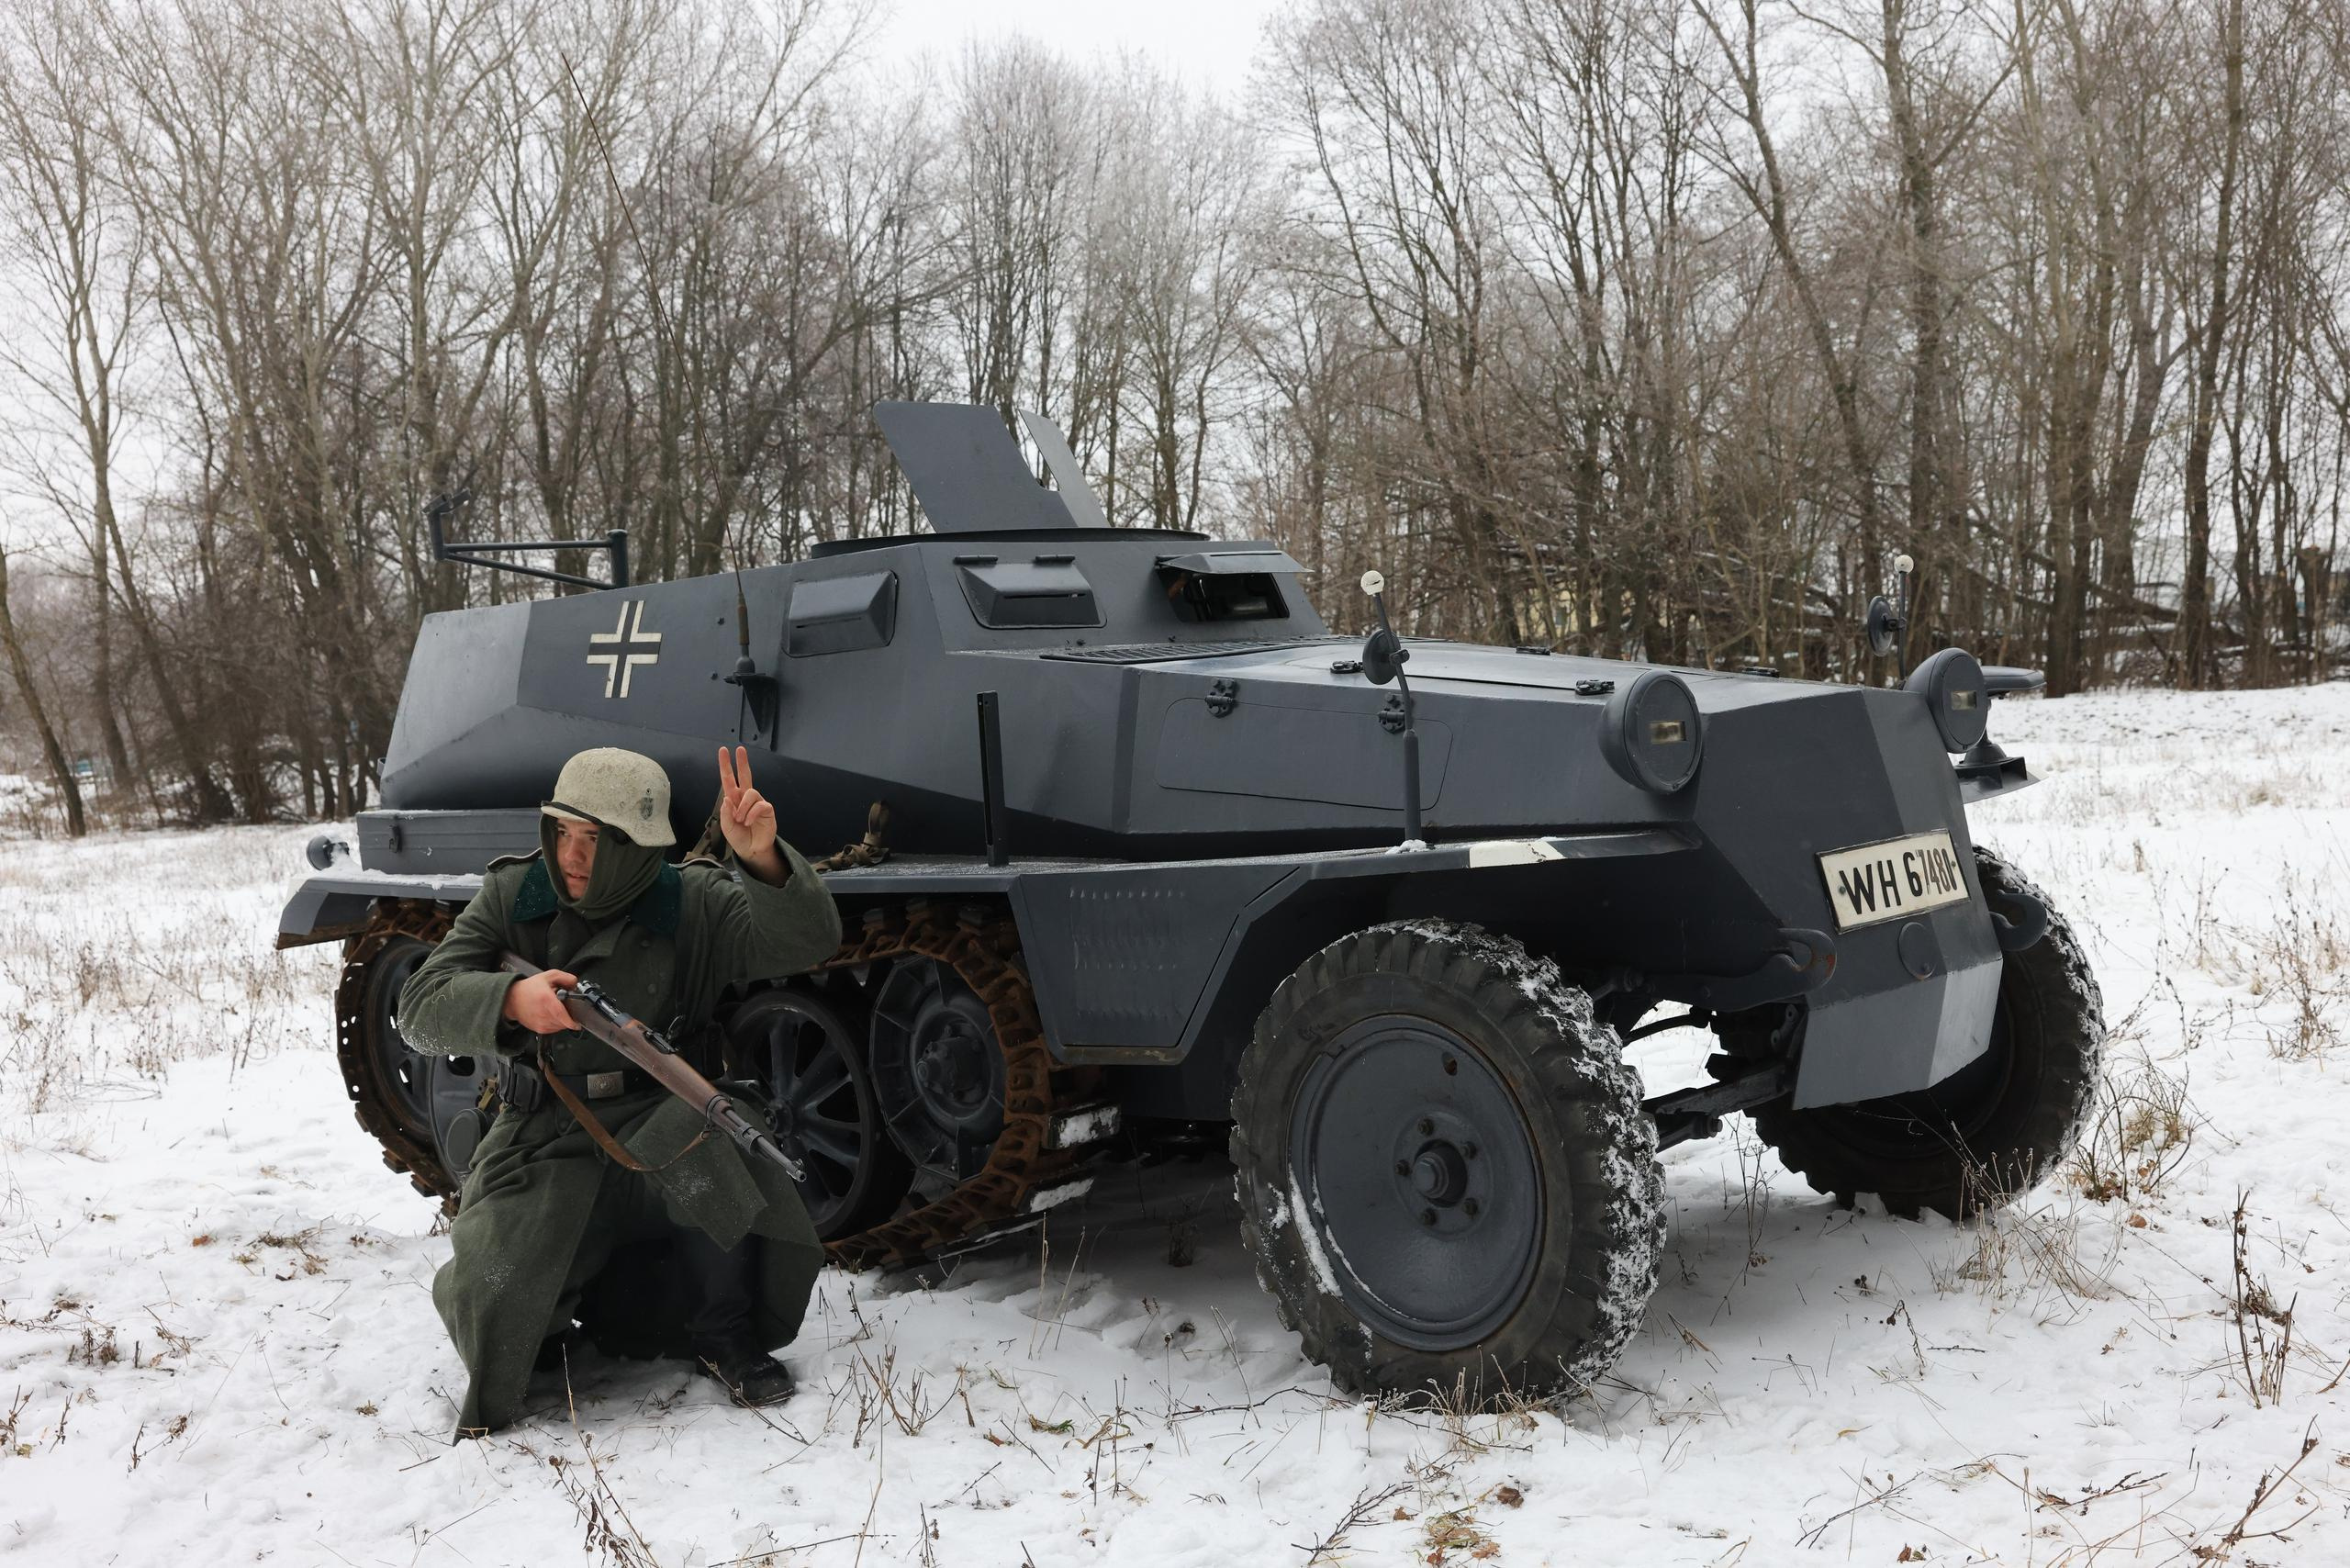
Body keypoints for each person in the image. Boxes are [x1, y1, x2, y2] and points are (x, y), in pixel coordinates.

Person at [397, 745, 842, 1437]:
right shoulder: (515, 894)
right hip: (545, 1130)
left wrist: (762, 861)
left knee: (712, 1152)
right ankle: (560, 1317)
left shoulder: (691, 901)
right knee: (496, 1300)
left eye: (596, 839)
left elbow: (808, 943)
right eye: (562, 832)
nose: (572, 856)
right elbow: (418, 1011)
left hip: (665, 1113)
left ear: (637, 846)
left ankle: (723, 1332)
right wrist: (510, 1000)